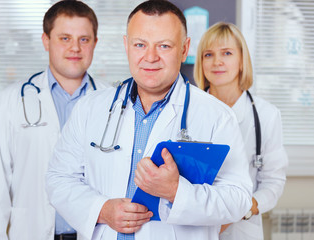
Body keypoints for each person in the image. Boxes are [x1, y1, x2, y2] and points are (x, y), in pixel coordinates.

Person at [46, 1, 253, 239]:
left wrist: (177, 192)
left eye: (164, 46)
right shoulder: (90, 108)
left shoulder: (217, 115)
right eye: (140, 44)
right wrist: (102, 210)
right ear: (126, 45)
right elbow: (58, 179)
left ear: (185, 49)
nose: (150, 57)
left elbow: (239, 199)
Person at [0, 1, 107, 239]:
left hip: (93, 233)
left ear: (95, 43)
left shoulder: (112, 103)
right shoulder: (12, 101)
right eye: (64, 38)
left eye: (84, 39)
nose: (75, 48)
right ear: (46, 41)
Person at [194, 22, 288, 240]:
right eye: (208, 55)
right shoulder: (187, 111)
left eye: (226, 53)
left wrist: (240, 211)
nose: (217, 62)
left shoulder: (267, 115)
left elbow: (273, 183)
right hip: (195, 228)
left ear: (241, 60)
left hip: (242, 230)